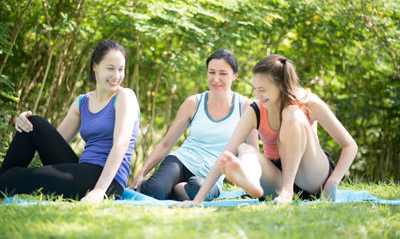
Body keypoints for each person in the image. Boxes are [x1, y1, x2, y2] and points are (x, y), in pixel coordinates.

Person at [180, 54, 358, 205]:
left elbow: (350, 145)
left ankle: (287, 192)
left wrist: (333, 181)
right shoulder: (256, 110)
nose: (257, 95)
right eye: (255, 89)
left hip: (312, 175)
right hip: (277, 178)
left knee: (291, 113)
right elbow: (227, 151)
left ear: (280, 85)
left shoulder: (309, 103)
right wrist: (198, 199)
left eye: (263, 90)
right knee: (243, 148)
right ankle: (253, 184)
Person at [0, 40, 140, 203]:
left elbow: (121, 144)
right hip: (81, 169)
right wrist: (23, 121)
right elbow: (53, 142)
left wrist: (99, 190)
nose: (116, 75)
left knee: (18, 177)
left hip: (107, 180)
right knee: (33, 123)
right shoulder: (82, 101)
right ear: (95, 66)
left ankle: (5, 182)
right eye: (110, 68)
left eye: (121, 69)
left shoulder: (125, 97)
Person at [130, 49, 258, 201]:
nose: (216, 79)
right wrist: (141, 173)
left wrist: (253, 184)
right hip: (182, 161)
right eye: (211, 72)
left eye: (223, 73)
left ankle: (177, 188)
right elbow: (166, 143)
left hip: (211, 175)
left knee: (198, 190)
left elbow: (253, 152)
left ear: (235, 76)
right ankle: (161, 186)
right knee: (154, 192)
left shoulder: (246, 107)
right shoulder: (194, 103)